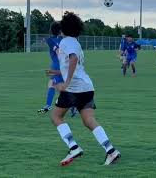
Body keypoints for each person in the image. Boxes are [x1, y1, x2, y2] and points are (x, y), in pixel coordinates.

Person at [51, 12, 121, 166]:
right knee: (89, 120)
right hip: (87, 87)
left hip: (74, 89)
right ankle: (111, 151)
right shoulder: (75, 42)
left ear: (64, 28)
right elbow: (75, 65)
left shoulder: (66, 41)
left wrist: (66, 82)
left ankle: (73, 147)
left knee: (56, 117)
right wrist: (58, 72)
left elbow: (73, 59)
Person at [38, 22, 77, 117]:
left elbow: (57, 50)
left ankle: (48, 105)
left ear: (51, 30)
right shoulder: (63, 40)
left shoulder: (50, 40)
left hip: (57, 66)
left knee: (52, 84)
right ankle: (73, 105)